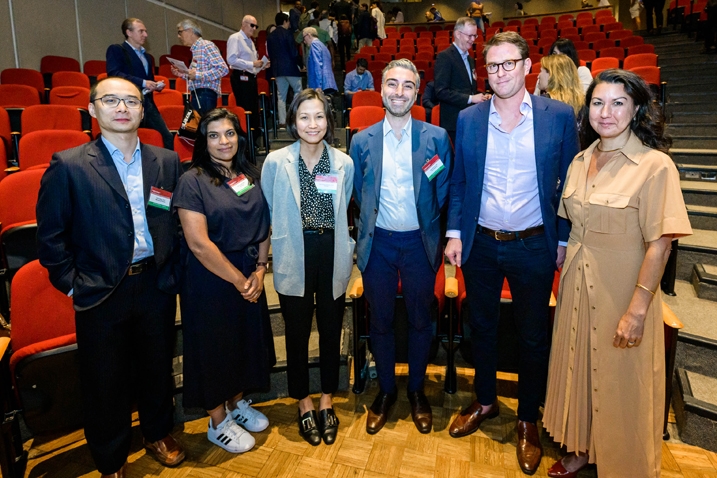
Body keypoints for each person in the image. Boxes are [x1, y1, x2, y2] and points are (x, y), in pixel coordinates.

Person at [543, 69, 692, 478]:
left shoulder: (655, 166)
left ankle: (625, 465)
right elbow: (572, 226)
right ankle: (580, 448)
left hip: (623, 290)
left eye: (618, 103)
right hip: (576, 284)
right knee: (577, 367)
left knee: (622, 382)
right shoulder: (578, 160)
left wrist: (639, 309)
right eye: (597, 102)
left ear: (637, 109)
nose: (605, 112)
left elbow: (660, 244)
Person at [36, 77, 185, 478]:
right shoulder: (68, 165)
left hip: (154, 282)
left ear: (142, 110)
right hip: (100, 289)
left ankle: (157, 433)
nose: (122, 107)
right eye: (111, 100)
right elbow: (50, 239)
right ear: (93, 109)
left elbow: (170, 218)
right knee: (105, 380)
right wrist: (73, 283)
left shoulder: (165, 160)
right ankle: (111, 457)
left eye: (131, 101)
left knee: (156, 366)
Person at [444, 32, 579, 475]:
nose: (500, 72)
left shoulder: (558, 117)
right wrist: (455, 233)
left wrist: (561, 241)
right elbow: (460, 181)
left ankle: (527, 419)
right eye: (493, 65)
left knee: (532, 336)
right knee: (480, 327)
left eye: (509, 63)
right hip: (480, 243)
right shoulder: (469, 118)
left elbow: (569, 187)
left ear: (528, 66)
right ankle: (485, 402)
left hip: (533, 246)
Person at [349, 59, 452, 436]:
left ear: (416, 92)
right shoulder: (361, 140)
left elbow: (442, 191)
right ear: (381, 89)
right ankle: (386, 391)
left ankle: (416, 391)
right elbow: (359, 192)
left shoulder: (435, 138)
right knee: (379, 321)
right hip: (379, 245)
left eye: (407, 86)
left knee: (420, 319)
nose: (399, 92)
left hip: (418, 244)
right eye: (392, 84)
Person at [173, 109, 274, 454]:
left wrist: (260, 269)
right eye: (213, 135)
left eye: (229, 133)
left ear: (239, 137)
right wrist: (240, 281)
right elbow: (199, 243)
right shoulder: (193, 179)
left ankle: (236, 406)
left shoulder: (247, 173)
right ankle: (217, 421)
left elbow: (263, 222)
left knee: (243, 343)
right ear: (203, 141)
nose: (223, 141)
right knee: (213, 348)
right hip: (211, 279)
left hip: (249, 272)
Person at [261, 89, 355, 447]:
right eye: (304, 117)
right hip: (292, 252)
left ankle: (327, 399)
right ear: (293, 121)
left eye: (319, 117)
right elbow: (270, 207)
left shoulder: (342, 162)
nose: (312, 124)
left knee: (331, 330)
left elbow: (344, 205)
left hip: (331, 249)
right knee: (297, 334)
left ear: (328, 121)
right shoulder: (275, 161)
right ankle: (303, 402)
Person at [106, 18, 174, 150]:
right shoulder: (117, 49)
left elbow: (148, 80)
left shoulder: (147, 56)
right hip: (128, 103)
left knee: (165, 137)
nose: (145, 35)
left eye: (145, 31)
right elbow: (114, 73)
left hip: (147, 103)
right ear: (129, 32)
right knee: (133, 141)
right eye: (141, 31)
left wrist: (155, 85)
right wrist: (143, 83)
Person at [434, 17, 490, 145]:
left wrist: (480, 96)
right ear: (458, 34)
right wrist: (471, 98)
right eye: (470, 36)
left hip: (469, 118)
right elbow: (441, 92)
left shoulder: (470, 59)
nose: (473, 40)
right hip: (454, 122)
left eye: (475, 36)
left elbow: (469, 88)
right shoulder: (445, 57)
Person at [173, 19, 229, 116]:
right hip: (200, 95)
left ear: (190, 31)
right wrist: (181, 74)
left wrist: (197, 75)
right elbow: (196, 76)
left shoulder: (206, 45)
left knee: (203, 128)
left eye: (180, 32)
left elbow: (222, 69)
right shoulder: (196, 50)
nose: (179, 36)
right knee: (200, 128)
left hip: (205, 95)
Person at [227, 16, 270, 132]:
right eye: (252, 25)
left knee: (253, 109)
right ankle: (246, 138)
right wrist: (252, 64)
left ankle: (253, 137)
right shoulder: (235, 38)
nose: (254, 28)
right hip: (240, 77)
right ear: (244, 24)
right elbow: (231, 60)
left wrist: (261, 66)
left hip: (250, 77)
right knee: (245, 108)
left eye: (256, 26)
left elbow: (253, 67)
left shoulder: (250, 41)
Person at [268, 12, 303, 130]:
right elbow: (294, 52)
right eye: (288, 22)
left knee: (281, 96)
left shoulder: (271, 36)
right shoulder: (288, 34)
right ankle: (295, 118)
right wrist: (301, 64)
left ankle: (282, 122)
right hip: (291, 68)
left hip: (278, 70)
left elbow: (270, 54)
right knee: (298, 92)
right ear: (285, 21)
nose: (289, 24)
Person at [303, 27, 338, 95]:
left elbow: (318, 65)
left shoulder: (314, 45)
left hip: (320, 85)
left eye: (304, 37)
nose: (304, 41)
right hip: (327, 83)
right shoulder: (322, 45)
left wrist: (318, 86)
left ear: (309, 35)